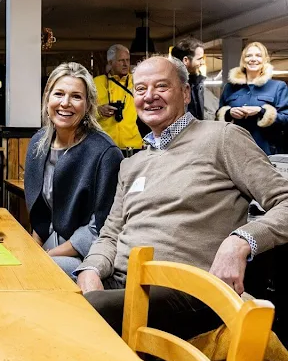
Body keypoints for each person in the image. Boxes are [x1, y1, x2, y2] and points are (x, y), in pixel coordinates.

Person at [74, 55, 288, 341]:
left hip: (188, 290)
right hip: (122, 285)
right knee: (47, 301)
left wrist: (239, 241)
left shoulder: (223, 138)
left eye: (162, 86)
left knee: (84, 315)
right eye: (140, 89)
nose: (149, 96)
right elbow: (111, 234)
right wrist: (91, 269)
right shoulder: (133, 164)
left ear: (186, 93)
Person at [25, 62, 123, 279]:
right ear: (47, 98)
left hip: (87, 254)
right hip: (50, 244)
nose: (65, 103)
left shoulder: (105, 153)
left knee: (35, 271)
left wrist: (45, 256)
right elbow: (40, 215)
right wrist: (32, 251)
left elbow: (100, 228)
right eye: (58, 94)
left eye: (76, 96)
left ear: (88, 105)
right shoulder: (38, 143)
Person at [217, 41, 288, 155]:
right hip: (235, 150)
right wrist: (229, 113)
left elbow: (285, 119)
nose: (253, 59)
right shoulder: (230, 87)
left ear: (264, 60)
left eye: (258, 56)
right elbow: (218, 118)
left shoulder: (278, 87)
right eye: (249, 55)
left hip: (266, 152)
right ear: (243, 61)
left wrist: (261, 111)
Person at [94, 44, 143, 155]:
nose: (126, 64)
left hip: (133, 146)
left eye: (127, 60)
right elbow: (84, 112)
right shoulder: (96, 83)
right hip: (106, 147)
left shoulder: (137, 80)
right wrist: (98, 110)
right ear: (110, 63)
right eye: (121, 60)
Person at [171, 37, 205, 119]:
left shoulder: (199, 83)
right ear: (186, 60)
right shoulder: (170, 86)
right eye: (199, 59)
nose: (202, 62)